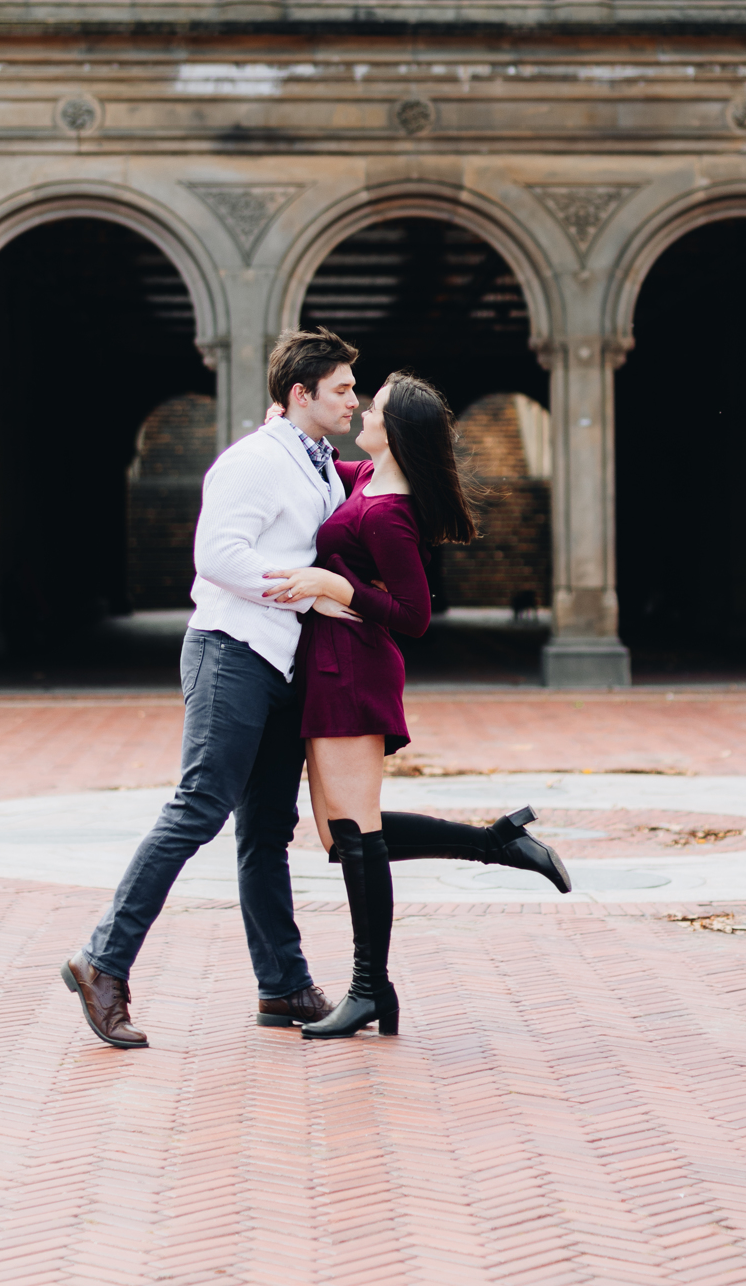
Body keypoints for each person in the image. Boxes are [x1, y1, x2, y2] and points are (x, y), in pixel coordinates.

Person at [61, 327, 362, 1047]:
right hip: (232, 651)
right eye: (343, 389)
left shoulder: (315, 462)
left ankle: (283, 985)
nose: (355, 399)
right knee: (199, 808)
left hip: (283, 662)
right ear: (301, 394)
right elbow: (215, 555)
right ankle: (101, 961)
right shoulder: (254, 461)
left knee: (265, 831)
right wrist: (308, 593)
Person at [261, 373, 572, 1041]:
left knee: (353, 837)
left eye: (371, 408)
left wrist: (336, 586)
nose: (359, 412)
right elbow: (317, 462)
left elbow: (414, 616)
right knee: (343, 836)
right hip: (331, 667)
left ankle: (369, 989)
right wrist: (284, 430)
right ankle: (496, 842)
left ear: (394, 433)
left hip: (352, 671)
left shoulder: (389, 512)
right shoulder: (365, 481)